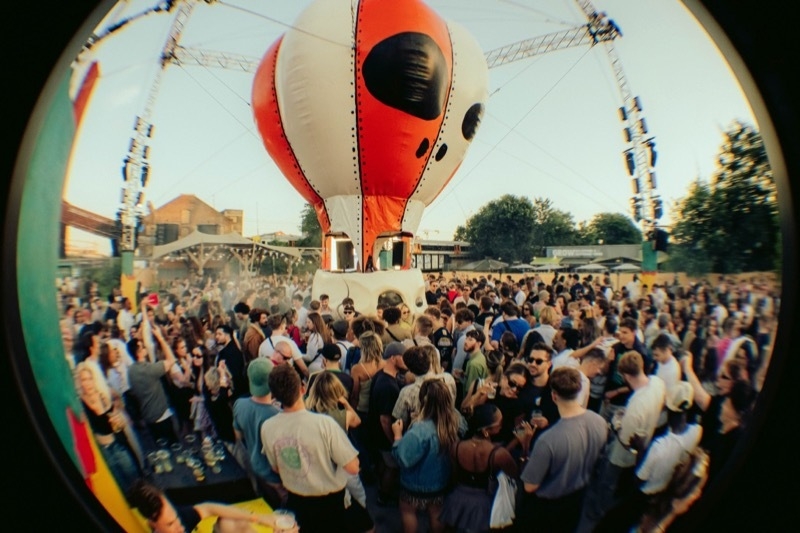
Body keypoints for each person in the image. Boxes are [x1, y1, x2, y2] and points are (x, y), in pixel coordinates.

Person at [261, 364, 360, 533]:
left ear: (275, 396)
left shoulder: (268, 427)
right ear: (303, 388)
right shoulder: (324, 424)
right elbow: (353, 467)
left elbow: (275, 468)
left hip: (296, 501)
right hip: (330, 502)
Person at [578, 350, 666, 532]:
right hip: (645, 442)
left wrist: (617, 422)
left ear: (625, 375)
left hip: (621, 455)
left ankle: (598, 515)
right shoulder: (657, 383)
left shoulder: (636, 403)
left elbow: (626, 439)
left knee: (607, 484)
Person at [518, 367, 608, 533]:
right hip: (577, 500)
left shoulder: (548, 440)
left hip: (548, 508)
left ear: (554, 396)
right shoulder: (599, 422)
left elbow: (529, 486)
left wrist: (525, 447)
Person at [392, 379, 465, 533]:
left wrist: (397, 436)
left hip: (413, 485)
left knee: (408, 512)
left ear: (423, 400)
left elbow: (402, 458)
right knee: (437, 513)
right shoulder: (456, 421)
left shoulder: (419, 430)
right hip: (440, 483)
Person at [440, 404, 521, 533]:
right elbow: (515, 473)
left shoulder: (456, 447)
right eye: (499, 423)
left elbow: (454, 474)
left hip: (457, 500)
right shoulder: (498, 454)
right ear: (486, 430)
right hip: (483, 503)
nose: (502, 425)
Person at [128, 479, 296, 533]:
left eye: (176, 517)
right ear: (152, 524)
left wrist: (260, 518)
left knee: (229, 520)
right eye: (170, 524)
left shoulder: (177, 520)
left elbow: (208, 507)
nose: (179, 526)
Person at [75, 362, 142, 497]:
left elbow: (118, 413)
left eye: (89, 379)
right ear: (79, 382)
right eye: (83, 380)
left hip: (118, 445)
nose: (87, 383)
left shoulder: (103, 396)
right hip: (104, 452)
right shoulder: (80, 403)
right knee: (121, 488)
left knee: (135, 481)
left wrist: (120, 418)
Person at [232, 358, 285, 510]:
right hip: (275, 479)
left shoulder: (239, 404)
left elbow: (237, 436)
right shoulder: (276, 415)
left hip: (254, 469)